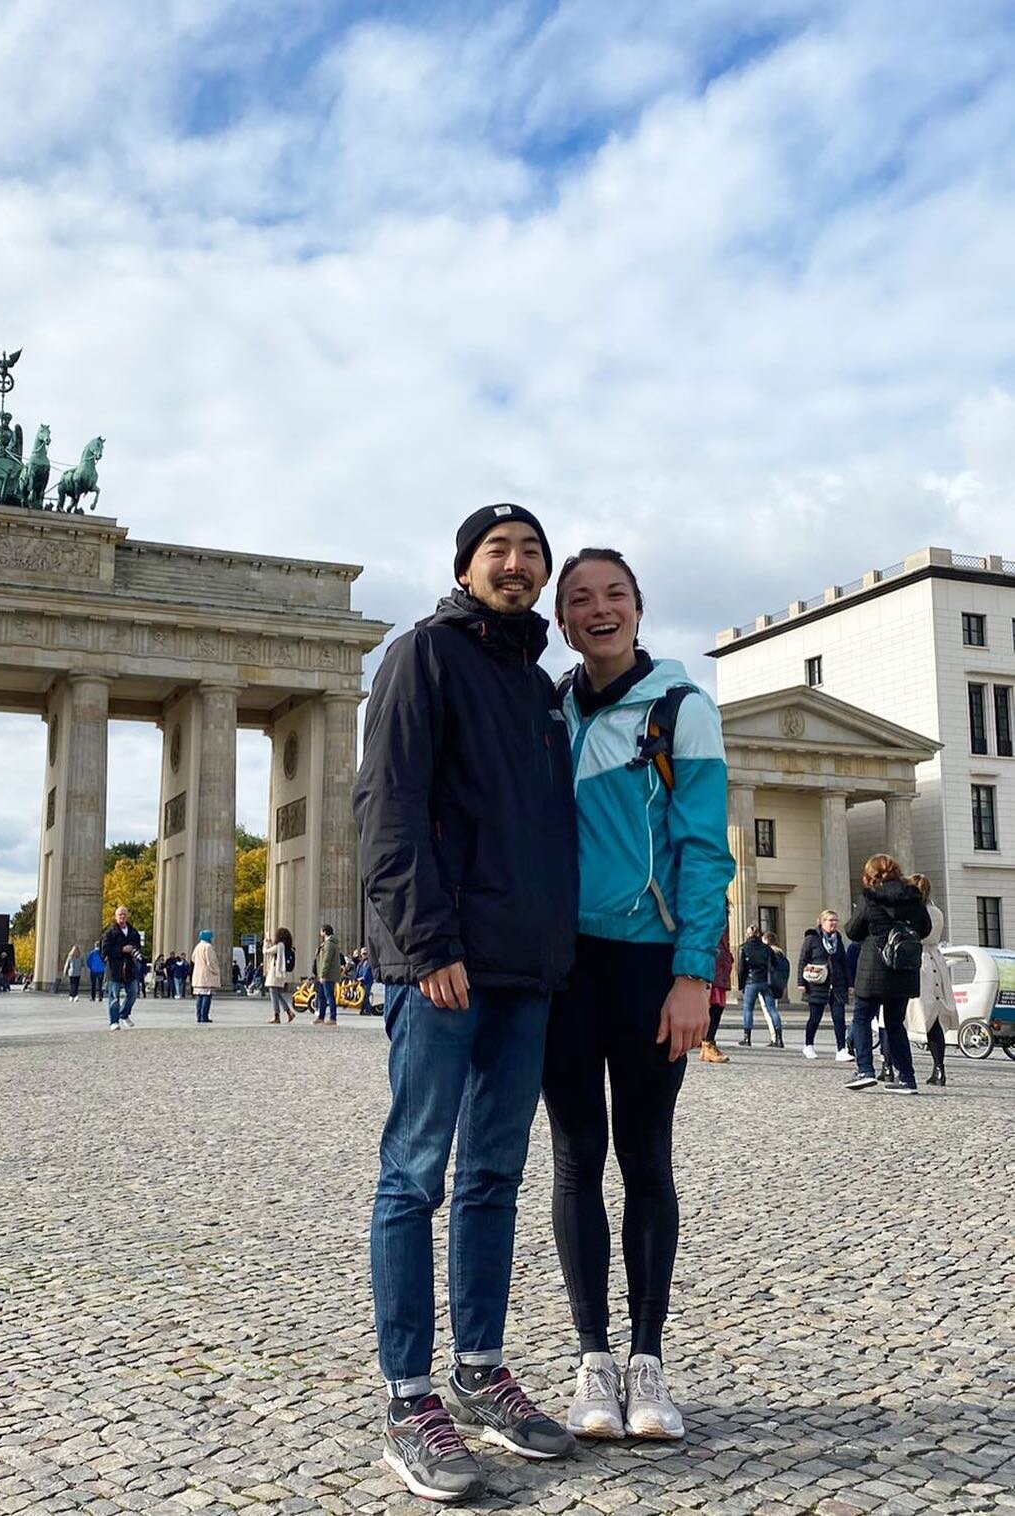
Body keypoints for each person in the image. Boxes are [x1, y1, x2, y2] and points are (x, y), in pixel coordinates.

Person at [354, 503, 577, 1505]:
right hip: (441, 966)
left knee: (492, 1175)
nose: (518, 563)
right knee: (414, 1174)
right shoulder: (421, 657)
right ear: (465, 565)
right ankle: (408, 1397)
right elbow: (386, 806)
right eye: (501, 549)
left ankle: (478, 1369)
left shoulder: (536, 686)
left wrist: (551, 954)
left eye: (533, 550)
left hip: (523, 971)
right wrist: (427, 940)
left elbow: (542, 837)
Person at [544, 545, 735, 1444]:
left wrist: (694, 973)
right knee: (577, 1157)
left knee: (645, 1157)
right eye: (580, 599)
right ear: (563, 622)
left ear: (639, 608)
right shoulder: (550, 709)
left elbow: (706, 848)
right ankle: (593, 1360)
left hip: (651, 964)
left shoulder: (680, 708)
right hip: (563, 965)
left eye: (613, 594)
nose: (598, 608)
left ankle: (649, 1358)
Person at [844, 854, 931, 1093]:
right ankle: (907, 1078)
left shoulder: (870, 897)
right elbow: (925, 929)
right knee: (895, 1024)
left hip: (874, 966)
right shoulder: (914, 897)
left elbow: (852, 930)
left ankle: (865, 1070)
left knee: (862, 1018)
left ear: (870, 875)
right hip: (903, 968)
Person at [904, 874, 959, 1088]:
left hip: (916, 960)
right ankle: (939, 1068)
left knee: (897, 1015)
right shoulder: (936, 911)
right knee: (934, 1018)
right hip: (936, 960)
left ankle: (890, 1065)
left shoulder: (912, 912)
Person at [797, 910, 851, 1061]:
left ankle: (841, 1049)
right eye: (830, 920)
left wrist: (849, 983)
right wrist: (801, 982)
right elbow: (803, 959)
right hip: (817, 983)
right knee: (815, 1017)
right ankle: (808, 1045)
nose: (834, 923)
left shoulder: (838, 938)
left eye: (835, 920)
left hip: (837, 984)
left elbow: (844, 962)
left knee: (839, 1018)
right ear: (822, 922)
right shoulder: (812, 938)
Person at [736, 925, 782, 1047]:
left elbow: (741, 969)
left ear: (748, 934)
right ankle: (779, 1038)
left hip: (751, 982)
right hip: (765, 982)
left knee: (748, 1010)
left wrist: (741, 985)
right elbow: (775, 965)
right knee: (772, 1009)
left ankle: (747, 1038)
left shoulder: (743, 948)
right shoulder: (767, 948)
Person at [102, 905, 141, 1028]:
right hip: (115, 969)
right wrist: (121, 949)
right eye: (120, 914)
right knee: (114, 997)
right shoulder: (110, 933)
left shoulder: (133, 932)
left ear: (127, 916)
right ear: (116, 917)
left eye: (124, 914)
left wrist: (134, 950)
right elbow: (104, 951)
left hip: (129, 968)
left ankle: (123, 1014)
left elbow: (138, 947)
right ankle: (114, 1022)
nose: (122, 917)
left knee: (133, 993)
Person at [700, 921, 733, 1063]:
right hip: (711, 965)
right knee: (712, 1007)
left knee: (717, 1006)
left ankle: (706, 1044)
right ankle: (707, 1043)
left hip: (720, 966)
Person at [762, 933, 789, 1047]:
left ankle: (775, 1037)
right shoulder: (782, 954)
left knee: (769, 1011)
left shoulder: (768, 953)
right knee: (774, 1010)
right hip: (778, 986)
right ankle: (777, 1037)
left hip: (767, 985)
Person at [264, 926, 296, 1024]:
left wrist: (265, 943)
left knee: (274, 994)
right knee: (277, 994)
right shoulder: (287, 947)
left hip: (275, 973)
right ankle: (289, 1012)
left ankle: (277, 1016)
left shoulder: (279, 946)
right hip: (282, 973)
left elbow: (266, 952)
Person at [190, 929, 219, 1023]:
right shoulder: (208, 947)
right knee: (207, 996)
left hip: (198, 975)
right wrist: (215, 970)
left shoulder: (198, 946)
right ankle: (204, 1016)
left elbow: (193, 958)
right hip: (207, 975)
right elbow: (210, 961)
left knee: (199, 996)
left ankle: (199, 1016)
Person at [314, 924, 341, 1025]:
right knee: (322, 996)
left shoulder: (329, 944)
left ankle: (333, 1018)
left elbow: (326, 960)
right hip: (323, 974)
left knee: (329, 996)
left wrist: (323, 974)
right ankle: (321, 1017)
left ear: (324, 932)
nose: (320, 933)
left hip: (328, 975)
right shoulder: (326, 943)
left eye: (321, 931)